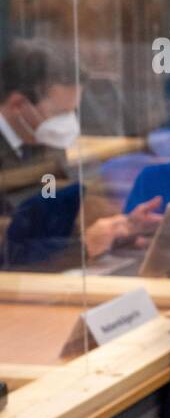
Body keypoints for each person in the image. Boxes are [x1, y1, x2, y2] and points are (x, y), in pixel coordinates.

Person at [0, 40, 160, 269]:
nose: (68, 123)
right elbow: (9, 249)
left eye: (73, 111)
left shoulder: (45, 140)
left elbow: (47, 220)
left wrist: (117, 230)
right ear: (18, 105)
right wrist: (82, 246)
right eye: (60, 112)